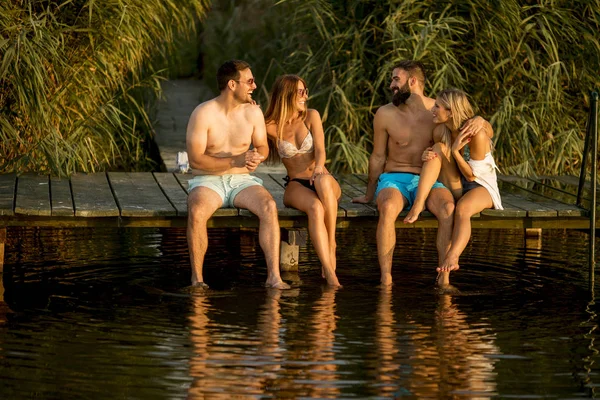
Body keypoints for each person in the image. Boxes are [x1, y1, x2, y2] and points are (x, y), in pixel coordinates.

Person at [352, 60, 489, 286]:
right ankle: (386, 277)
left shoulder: (438, 110)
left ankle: (443, 277)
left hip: (432, 180)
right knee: (387, 207)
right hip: (394, 178)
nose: (391, 85)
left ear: (412, 81)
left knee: (448, 208)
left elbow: (470, 124)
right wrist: (369, 194)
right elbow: (377, 157)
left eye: (396, 79)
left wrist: (481, 120)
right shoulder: (385, 113)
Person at [186, 59, 290, 290]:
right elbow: (195, 159)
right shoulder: (203, 113)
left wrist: (257, 157)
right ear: (232, 84)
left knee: (269, 206)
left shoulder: (253, 113)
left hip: (242, 180)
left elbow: (262, 146)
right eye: (249, 81)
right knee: (196, 209)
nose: (254, 86)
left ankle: (274, 277)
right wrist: (234, 159)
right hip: (208, 180)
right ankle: (198, 280)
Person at [404, 88, 503, 274]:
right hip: (457, 183)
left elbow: (472, 176)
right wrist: (427, 153)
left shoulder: (477, 134)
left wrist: (457, 152)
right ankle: (419, 203)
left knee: (462, 209)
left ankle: (454, 255)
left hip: (480, 186)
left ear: (450, 112)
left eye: (437, 106)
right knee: (438, 148)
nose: (432, 109)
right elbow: (438, 159)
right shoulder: (441, 130)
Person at [264, 75, 342, 287]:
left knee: (324, 182)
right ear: (286, 94)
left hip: (320, 178)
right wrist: (249, 107)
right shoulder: (271, 126)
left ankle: (331, 243)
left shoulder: (311, 116)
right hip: (297, 184)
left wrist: (318, 166)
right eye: (300, 91)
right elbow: (247, 127)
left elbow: (320, 150)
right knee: (316, 209)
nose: (305, 95)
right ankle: (329, 272)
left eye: (305, 90)